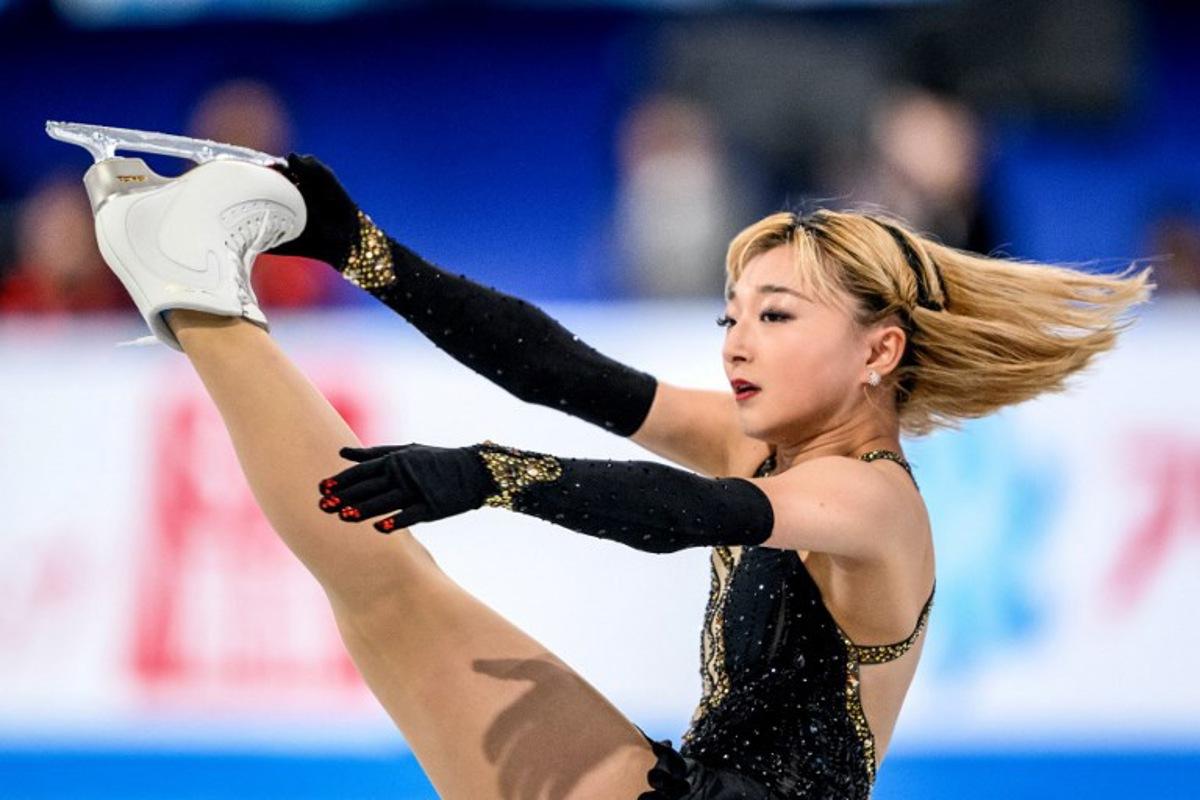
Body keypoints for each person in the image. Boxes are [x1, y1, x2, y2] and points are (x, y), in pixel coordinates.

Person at [96, 154, 1154, 799]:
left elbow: (698, 512)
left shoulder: (874, 498)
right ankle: (190, 287)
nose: (738, 342)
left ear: (879, 351)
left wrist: (490, 472)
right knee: (382, 586)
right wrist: (356, 243)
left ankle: (190, 286)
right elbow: (560, 369)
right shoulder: (764, 439)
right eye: (730, 315)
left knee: (393, 587)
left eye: (776, 316)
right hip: (692, 786)